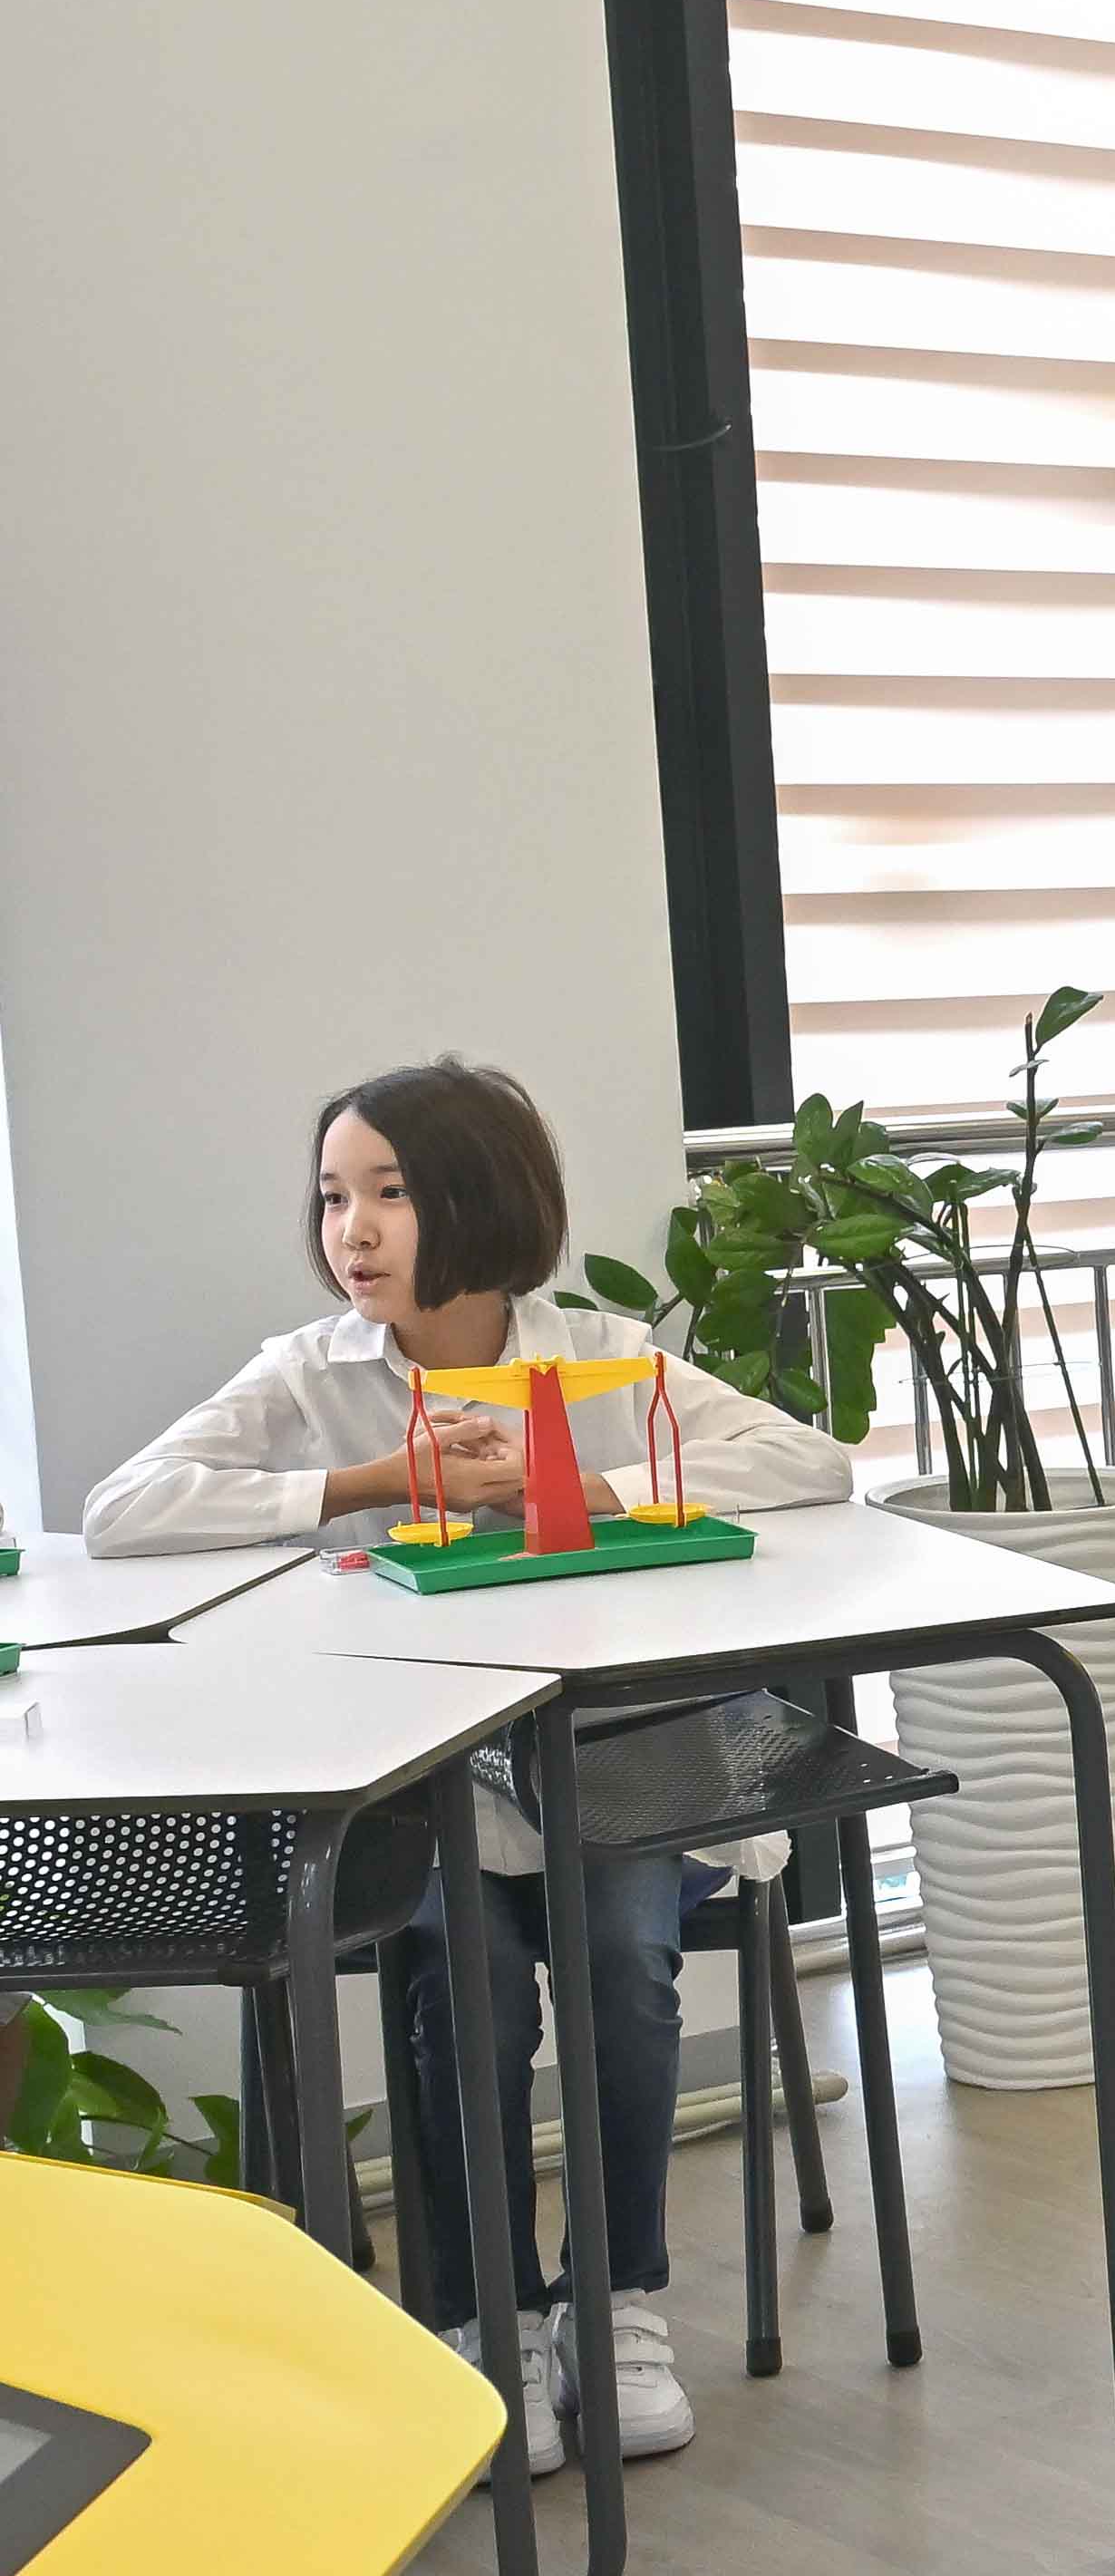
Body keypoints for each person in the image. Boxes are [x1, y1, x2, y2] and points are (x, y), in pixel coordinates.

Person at [83, 1058, 847, 2474]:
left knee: (622, 1957)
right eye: (333, 1197)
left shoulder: (597, 1352)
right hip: (411, 1775)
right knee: (470, 1980)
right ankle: (482, 2319)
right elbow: (125, 1510)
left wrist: (578, 1486)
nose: (353, 1229)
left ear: (479, 1201)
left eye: (389, 1192)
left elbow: (808, 1462)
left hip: (606, 1761)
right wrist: (376, 1481)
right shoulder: (313, 1374)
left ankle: (614, 2307)